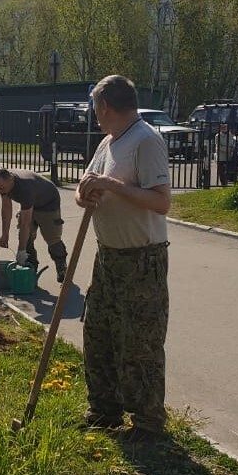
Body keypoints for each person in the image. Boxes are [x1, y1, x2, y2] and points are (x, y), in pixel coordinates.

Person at [75, 75, 171, 442]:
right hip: (108, 256)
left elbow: (161, 202)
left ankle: (148, 423)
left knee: (140, 343)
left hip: (142, 260)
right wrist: (85, 196)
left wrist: (112, 186)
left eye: (96, 109)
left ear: (106, 107)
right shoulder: (107, 143)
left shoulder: (146, 140)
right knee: (98, 333)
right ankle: (105, 411)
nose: (95, 115)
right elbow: (87, 188)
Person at [0, 167, 68, 283]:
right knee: (26, 238)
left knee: (52, 238)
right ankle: (30, 267)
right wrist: (4, 234)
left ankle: (62, 268)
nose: (1, 192)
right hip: (29, 203)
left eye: (2, 188)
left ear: (10, 179)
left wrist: (20, 251)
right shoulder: (5, 185)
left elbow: (25, 224)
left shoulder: (25, 188)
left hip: (48, 203)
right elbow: (6, 209)